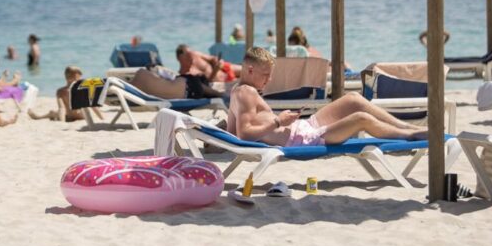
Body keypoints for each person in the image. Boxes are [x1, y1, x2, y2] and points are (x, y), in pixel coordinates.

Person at [227, 47, 427, 146]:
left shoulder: (238, 90)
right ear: (250, 70)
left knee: (353, 100)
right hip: (303, 139)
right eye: (265, 75)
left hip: (303, 128)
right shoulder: (246, 92)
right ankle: (408, 135)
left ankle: (408, 126)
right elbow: (244, 134)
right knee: (360, 119)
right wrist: (278, 122)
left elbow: (232, 131)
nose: (269, 80)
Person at [29, 66, 103, 122]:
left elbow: (62, 108)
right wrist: (101, 118)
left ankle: (38, 117)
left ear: (66, 77)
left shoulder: (60, 91)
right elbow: (93, 105)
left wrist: (62, 122)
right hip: (82, 116)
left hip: (69, 116)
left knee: (54, 113)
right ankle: (44, 116)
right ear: (77, 77)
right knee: (54, 112)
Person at [130, 66, 224, 100]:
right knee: (199, 81)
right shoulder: (141, 72)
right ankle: (220, 95)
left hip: (189, 93)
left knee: (201, 85)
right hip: (189, 86)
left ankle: (216, 93)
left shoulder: (135, 91)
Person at [176, 44, 240, 83]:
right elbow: (206, 86)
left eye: (191, 54)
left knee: (246, 69)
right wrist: (215, 71)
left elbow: (211, 58)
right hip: (222, 81)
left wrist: (217, 61)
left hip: (224, 68)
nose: (191, 58)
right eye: (188, 56)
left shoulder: (195, 55)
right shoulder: (186, 75)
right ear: (179, 58)